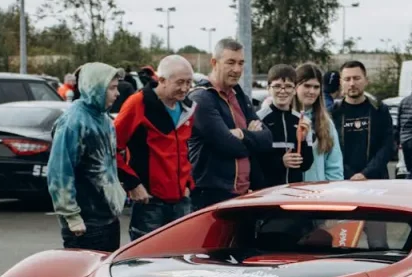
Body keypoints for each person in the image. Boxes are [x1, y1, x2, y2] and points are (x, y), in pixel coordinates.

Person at [114, 54, 196, 242]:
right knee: (146, 262)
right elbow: (111, 148)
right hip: (150, 201)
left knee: (180, 261)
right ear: (162, 80)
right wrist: (132, 184)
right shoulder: (138, 104)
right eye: (180, 82)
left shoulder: (188, 108)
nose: (185, 88)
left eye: (189, 83)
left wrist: (188, 183)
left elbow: (186, 149)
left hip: (181, 200)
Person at [46, 63, 127, 251]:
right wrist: (71, 216)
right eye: (112, 88)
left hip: (108, 218)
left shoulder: (105, 119)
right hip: (85, 224)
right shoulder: (74, 122)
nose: (117, 94)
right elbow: (59, 172)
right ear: (95, 87)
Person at [187, 38, 273, 210]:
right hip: (211, 197)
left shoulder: (240, 97)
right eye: (231, 63)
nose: (237, 69)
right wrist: (250, 136)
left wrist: (241, 134)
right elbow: (228, 145)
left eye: (241, 63)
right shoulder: (202, 98)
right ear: (214, 63)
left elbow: (267, 139)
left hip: (242, 194)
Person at [330, 60, 393, 181]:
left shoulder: (379, 110)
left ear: (366, 80)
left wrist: (366, 173)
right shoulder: (333, 113)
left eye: (357, 78)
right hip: (341, 180)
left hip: (375, 180)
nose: (352, 83)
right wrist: (349, 174)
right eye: (347, 79)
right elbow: (329, 149)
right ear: (341, 83)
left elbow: (387, 145)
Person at [254, 64, 313, 188]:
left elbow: (306, 164)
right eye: (277, 86)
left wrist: (301, 141)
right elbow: (254, 161)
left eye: (288, 86)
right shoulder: (258, 119)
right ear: (268, 88)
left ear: (295, 89)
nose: (282, 91)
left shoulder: (303, 120)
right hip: (266, 192)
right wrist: (281, 162)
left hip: (294, 192)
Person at [295, 62, 344, 182]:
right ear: (295, 86)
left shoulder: (326, 123)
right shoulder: (284, 118)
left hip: (317, 195)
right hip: (286, 194)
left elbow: (334, 167)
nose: (312, 91)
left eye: (316, 87)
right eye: (307, 86)